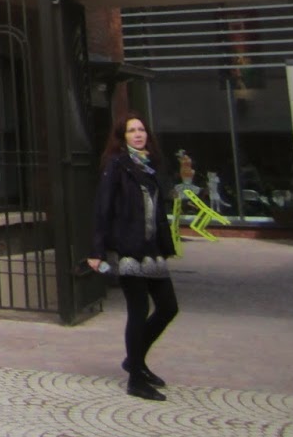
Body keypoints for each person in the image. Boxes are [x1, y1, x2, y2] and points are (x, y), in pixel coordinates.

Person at [87, 112, 179, 401]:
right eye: (131, 131)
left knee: (168, 307)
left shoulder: (149, 166)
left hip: (152, 248)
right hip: (128, 248)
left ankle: (134, 360)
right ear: (122, 137)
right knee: (138, 311)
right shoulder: (117, 165)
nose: (138, 135)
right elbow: (102, 207)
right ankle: (136, 379)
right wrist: (97, 251)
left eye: (141, 130)